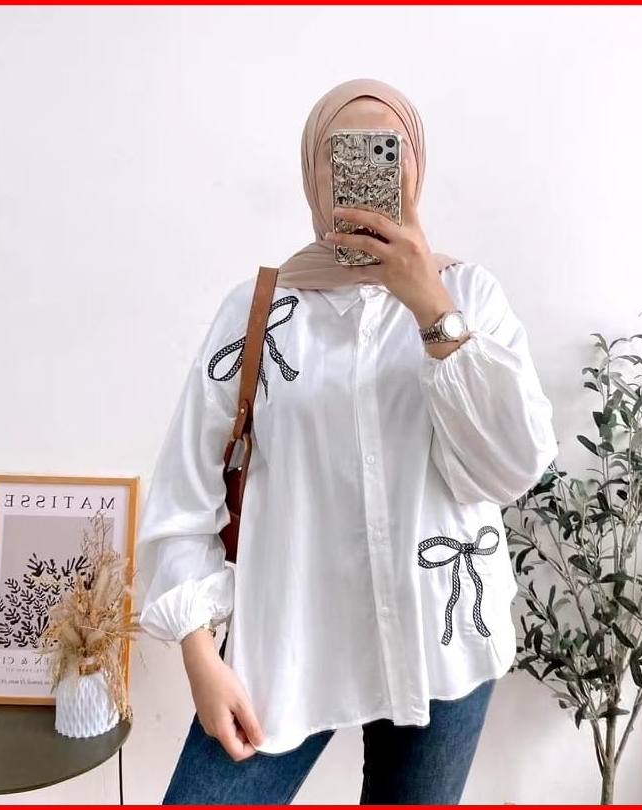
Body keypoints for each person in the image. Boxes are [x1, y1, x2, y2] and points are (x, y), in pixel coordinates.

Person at [137, 78, 557, 805]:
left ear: (415, 169)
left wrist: (430, 306)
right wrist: (200, 655)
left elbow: (513, 467)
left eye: (386, 150)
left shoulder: (470, 296)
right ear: (313, 171)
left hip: (441, 648)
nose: (365, 167)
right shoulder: (258, 311)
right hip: (289, 647)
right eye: (344, 151)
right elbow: (185, 490)